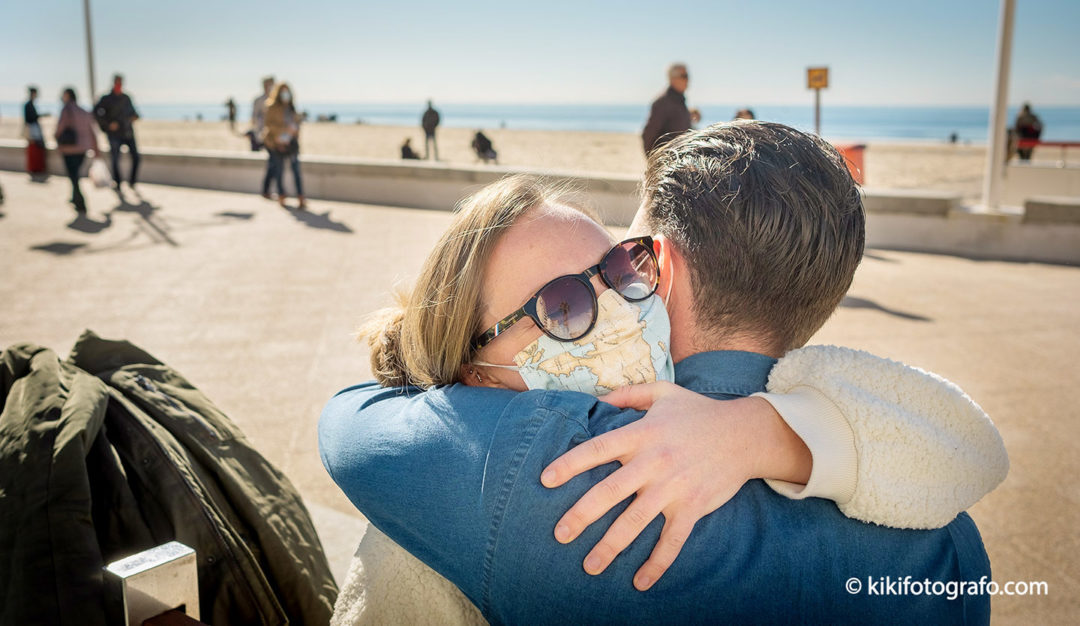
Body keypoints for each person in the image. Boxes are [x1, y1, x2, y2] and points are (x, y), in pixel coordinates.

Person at [320, 123, 1007, 622]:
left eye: (624, 269)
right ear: (476, 374)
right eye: (564, 305)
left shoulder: (487, 492)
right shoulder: (943, 537)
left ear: (662, 267)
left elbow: (354, 426)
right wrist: (777, 434)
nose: (621, 303)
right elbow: (964, 445)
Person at [54, 87, 101, 215]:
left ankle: (80, 202)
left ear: (68, 96)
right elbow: (91, 130)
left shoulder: (66, 109)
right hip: (83, 149)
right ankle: (75, 198)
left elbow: (60, 127)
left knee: (73, 176)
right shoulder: (83, 111)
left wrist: (56, 137)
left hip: (69, 149)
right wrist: (96, 148)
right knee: (75, 175)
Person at [262, 82, 306, 210]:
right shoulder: (271, 106)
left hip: (291, 143)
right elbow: (268, 125)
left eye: (287, 91)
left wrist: (295, 131)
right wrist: (284, 130)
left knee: (296, 170)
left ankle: (301, 196)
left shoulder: (291, 106)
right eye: (283, 91)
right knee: (279, 171)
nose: (285, 95)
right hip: (276, 143)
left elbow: (296, 123)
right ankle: (281, 195)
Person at [94, 74, 140, 191]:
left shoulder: (126, 98)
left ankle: (132, 182)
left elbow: (133, 112)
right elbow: (96, 113)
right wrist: (108, 125)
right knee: (115, 159)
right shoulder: (106, 98)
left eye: (121, 83)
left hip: (128, 132)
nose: (119, 85)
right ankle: (118, 182)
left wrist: (134, 117)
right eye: (117, 82)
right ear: (114, 83)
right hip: (114, 135)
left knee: (136, 157)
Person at [641, 63, 700, 155]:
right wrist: (654, 163)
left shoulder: (679, 100)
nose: (688, 79)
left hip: (682, 158)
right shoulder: (662, 102)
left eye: (687, 76)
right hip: (669, 161)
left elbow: (675, 121)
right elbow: (648, 134)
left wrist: (690, 115)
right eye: (684, 76)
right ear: (672, 79)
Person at [24, 86, 47, 177]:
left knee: (37, 148)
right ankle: (34, 168)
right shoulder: (28, 105)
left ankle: (37, 168)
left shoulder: (31, 104)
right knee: (34, 148)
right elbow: (29, 119)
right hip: (32, 131)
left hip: (34, 130)